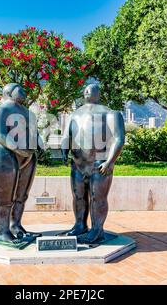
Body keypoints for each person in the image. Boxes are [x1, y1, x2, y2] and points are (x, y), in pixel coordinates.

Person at [61, 84, 125, 244]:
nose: (87, 90)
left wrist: (110, 161)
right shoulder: (75, 114)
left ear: (99, 93)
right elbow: (67, 135)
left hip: (100, 164)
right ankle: (80, 225)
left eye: (91, 88)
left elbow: (119, 138)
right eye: (85, 88)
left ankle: (97, 229)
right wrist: (64, 150)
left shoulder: (110, 113)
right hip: (77, 164)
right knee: (78, 196)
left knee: (98, 198)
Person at [0, 83, 43, 243]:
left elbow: (34, 134)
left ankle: (15, 225)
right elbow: (0, 134)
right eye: (20, 89)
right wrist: (19, 149)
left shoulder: (28, 113)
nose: (24, 91)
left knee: (21, 196)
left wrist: (38, 143)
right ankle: (1, 231)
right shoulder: (2, 110)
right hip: (2, 158)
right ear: (9, 92)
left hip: (27, 159)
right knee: (2, 199)